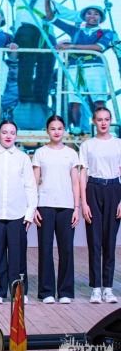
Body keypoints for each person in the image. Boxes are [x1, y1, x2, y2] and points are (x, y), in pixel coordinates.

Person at [0, 120, 37, 304]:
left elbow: (30, 186)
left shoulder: (23, 158)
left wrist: (30, 213)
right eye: (4, 132)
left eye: (12, 132)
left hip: (18, 214)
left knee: (18, 255)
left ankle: (18, 291)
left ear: (16, 135)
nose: (8, 136)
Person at [11, 0, 78, 130]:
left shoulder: (50, 0)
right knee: (26, 64)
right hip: (28, 30)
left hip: (47, 34)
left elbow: (69, 14)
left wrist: (88, 15)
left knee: (46, 68)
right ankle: (25, 97)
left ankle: (41, 98)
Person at [45, 0, 114, 134]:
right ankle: (77, 129)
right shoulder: (75, 31)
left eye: (96, 14)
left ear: (100, 18)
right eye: (89, 13)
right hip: (75, 67)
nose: (92, 16)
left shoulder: (106, 32)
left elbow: (98, 47)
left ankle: (102, 129)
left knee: (99, 100)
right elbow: (52, 19)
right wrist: (47, 1)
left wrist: (72, 46)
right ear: (84, 16)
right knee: (75, 101)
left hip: (95, 67)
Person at [32, 115, 79, 304]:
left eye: (59, 128)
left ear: (64, 130)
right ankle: (46, 292)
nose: (56, 132)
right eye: (53, 128)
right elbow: (34, 182)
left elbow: (75, 183)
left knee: (66, 250)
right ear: (47, 131)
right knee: (45, 249)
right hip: (45, 205)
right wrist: (33, 207)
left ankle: (65, 292)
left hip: (67, 206)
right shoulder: (40, 153)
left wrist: (77, 208)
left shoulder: (71, 154)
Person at [79, 107, 121, 304]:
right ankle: (96, 287)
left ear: (110, 121)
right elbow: (82, 175)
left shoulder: (118, 144)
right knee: (94, 241)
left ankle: (108, 288)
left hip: (114, 189)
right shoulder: (87, 145)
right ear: (93, 121)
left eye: (106, 119)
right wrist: (84, 202)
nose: (103, 123)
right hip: (93, 188)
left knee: (110, 242)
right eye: (99, 119)